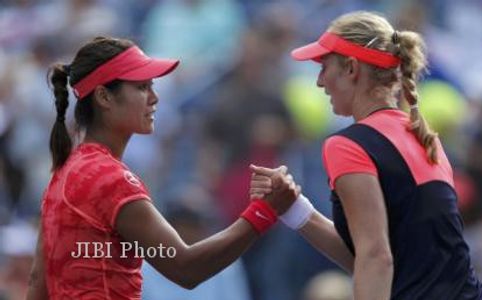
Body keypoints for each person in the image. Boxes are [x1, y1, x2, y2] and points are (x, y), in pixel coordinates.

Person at [26, 36, 300, 299]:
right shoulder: (110, 178)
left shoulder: (62, 174)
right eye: (142, 87)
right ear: (104, 97)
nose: (154, 98)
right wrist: (264, 211)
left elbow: (39, 279)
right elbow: (185, 267)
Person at [250, 11, 482, 300]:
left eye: (324, 67)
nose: (319, 82)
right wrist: (294, 209)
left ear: (351, 68)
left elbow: (376, 257)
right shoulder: (426, 139)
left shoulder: (347, 145)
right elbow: (378, 258)